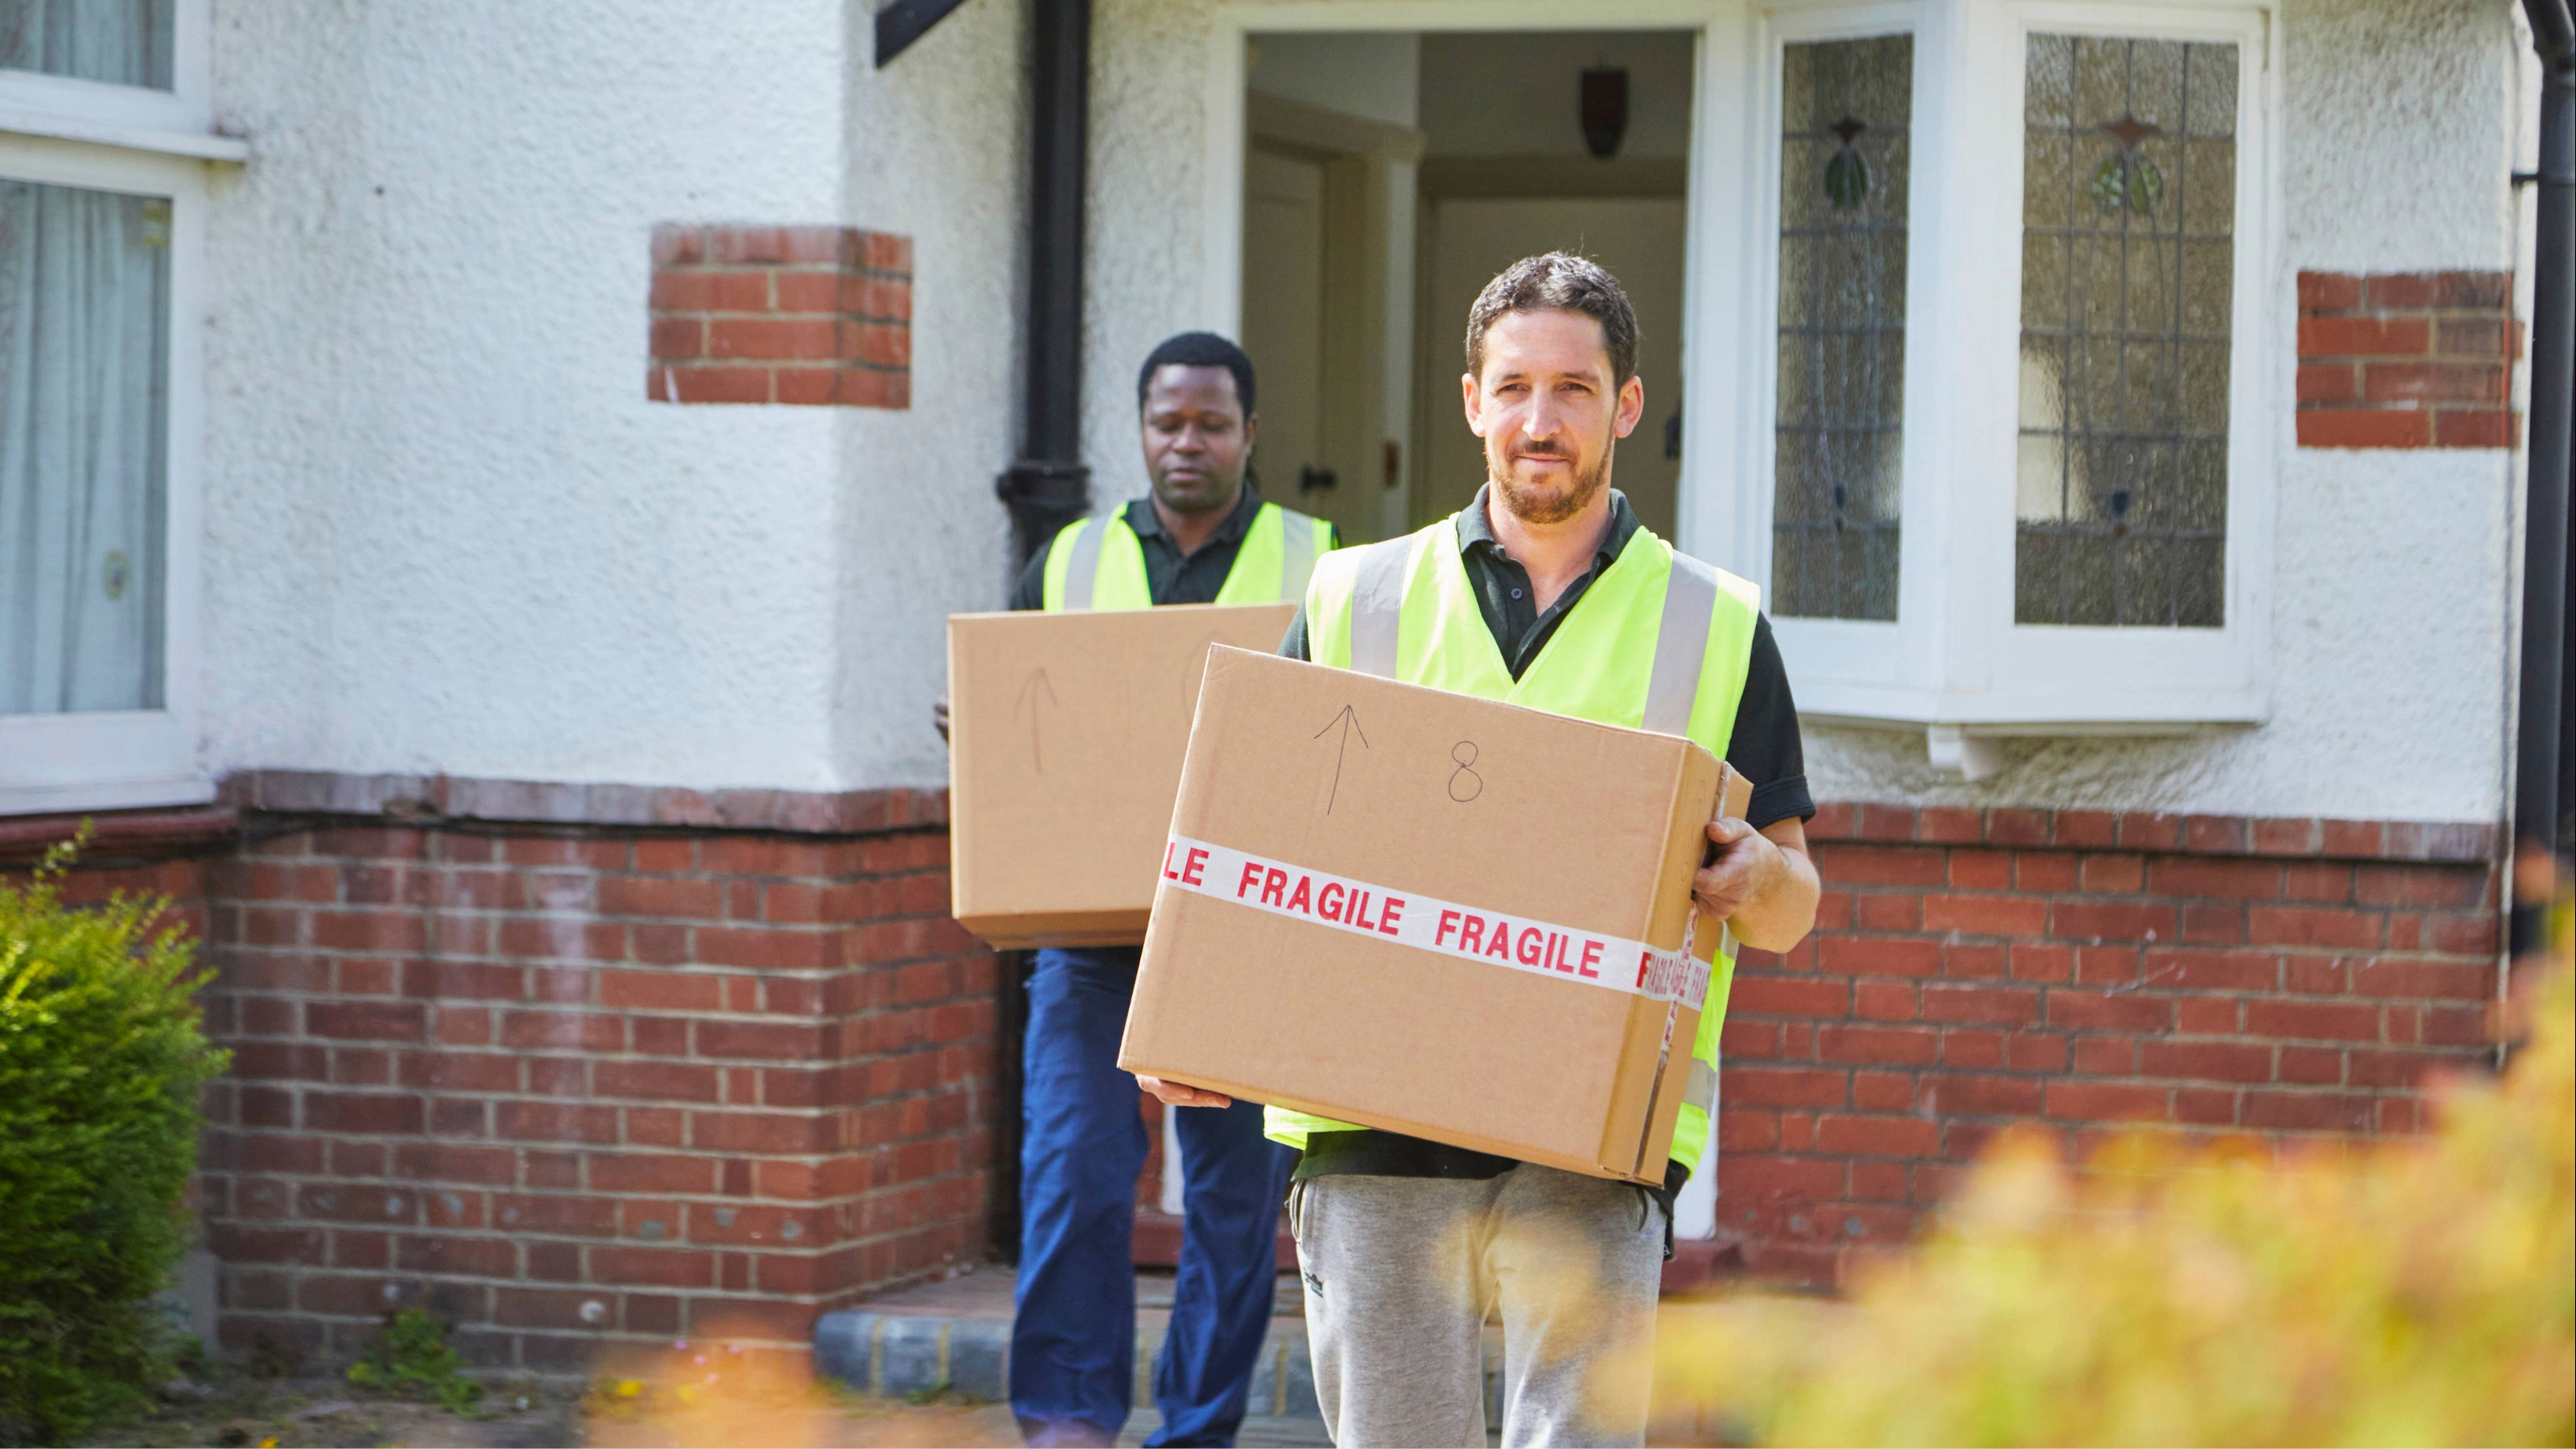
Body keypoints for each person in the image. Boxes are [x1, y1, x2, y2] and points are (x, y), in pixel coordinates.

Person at [1137, 257, 1820, 1447]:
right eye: (1513, 388)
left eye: (1571, 387)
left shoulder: (1714, 623)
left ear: (1624, 404)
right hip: (1371, 1132)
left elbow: (1794, 901)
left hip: (1595, 1140)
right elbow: (1246, 848)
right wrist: (1191, 1024)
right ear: (1470, 402)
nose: (1539, 420)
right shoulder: (1356, 597)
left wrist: (1759, 878)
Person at [1004, 332, 1337, 1447]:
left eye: (1209, 422)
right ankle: (1065, 1415)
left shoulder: (1324, 562)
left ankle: (1195, 1431)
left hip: (1248, 935)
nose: (1185, 441)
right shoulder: (1065, 561)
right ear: (1140, 428)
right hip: (1090, 931)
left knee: (1236, 1211)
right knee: (1072, 1172)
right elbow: (1013, 706)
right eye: (1166, 421)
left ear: (1250, 432)